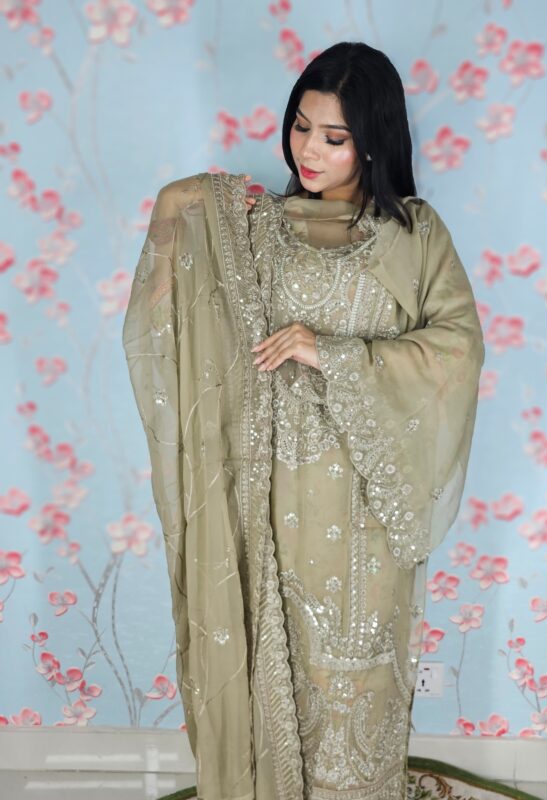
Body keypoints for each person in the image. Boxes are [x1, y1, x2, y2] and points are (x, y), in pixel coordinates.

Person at [122, 40, 485, 800]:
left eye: (334, 137)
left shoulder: (416, 235)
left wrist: (333, 353)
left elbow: (456, 348)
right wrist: (211, 206)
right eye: (300, 127)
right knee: (273, 663)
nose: (308, 151)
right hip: (269, 497)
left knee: (355, 677)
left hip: (366, 508)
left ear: (374, 141)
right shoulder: (261, 227)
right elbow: (178, 214)